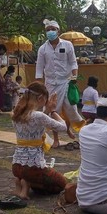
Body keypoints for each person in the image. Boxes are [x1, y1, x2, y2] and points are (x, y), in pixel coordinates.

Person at [11, 81, 68, 199]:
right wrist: (53, 111)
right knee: (61, 184)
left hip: (16, 166)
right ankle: (27, 183)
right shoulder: (38, 116)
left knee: (40, 180)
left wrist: (47, 111)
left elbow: (37, 124)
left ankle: (20, 181)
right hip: (33, 168)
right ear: (41, 98)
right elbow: (63, 127)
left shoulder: (16, 114)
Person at [35, 19, 85, 148]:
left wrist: (75, 75)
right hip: (50, 83)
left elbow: (73, 62)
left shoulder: (67, 45)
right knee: (53, 110)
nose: (50, 32)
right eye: (48, 30)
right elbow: (39, 68)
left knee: (70, 108)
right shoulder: (42, 49)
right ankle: (56, 138)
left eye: (53, 29)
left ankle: (74, 131)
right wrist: (39, 87)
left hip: (66, 81)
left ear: (58, 31)